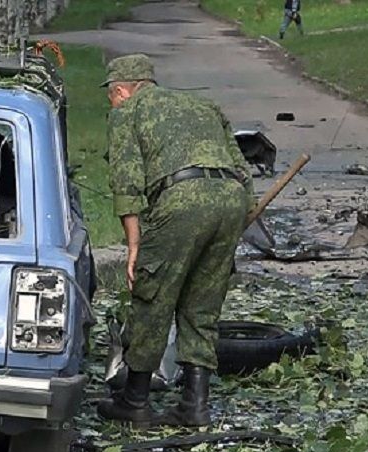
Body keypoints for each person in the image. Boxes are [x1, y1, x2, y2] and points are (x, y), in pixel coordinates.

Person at [97, 54, 254, 428]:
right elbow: (243, 171)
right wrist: (232, 220)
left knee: (153, 295)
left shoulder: (127, 113)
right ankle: (195, 406)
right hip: (231, 198)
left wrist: (135, 247)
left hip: (181, 199)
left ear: (121, 91)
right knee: (203, 303)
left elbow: (126, 182)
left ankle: (134, 402)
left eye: (110, 96)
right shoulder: (204, 105)